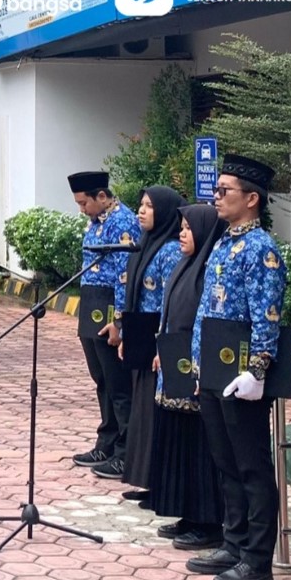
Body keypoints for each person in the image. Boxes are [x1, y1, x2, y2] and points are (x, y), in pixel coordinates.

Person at [186, 154, 286, 580]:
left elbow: (267, 316)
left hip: (242, 373)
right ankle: (235, 541)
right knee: (225, 464)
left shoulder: (261, 248)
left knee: (251, 467)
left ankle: (257, 562)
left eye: (224, 190)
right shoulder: (224, 241)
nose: (216, 197)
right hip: (213, 367)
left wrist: (258, 370)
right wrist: (198, 366)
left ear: (251, 199)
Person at [148, 204, 225, 551]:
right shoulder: (184, 265)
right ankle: (188, 514)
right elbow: (170, 315)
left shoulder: (208, 271)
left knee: (198, 448)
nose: (181, 234)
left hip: (195, 370)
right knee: (178, 442)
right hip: (173, 363)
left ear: (205, 232)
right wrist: (161, 350)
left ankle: (207, 522)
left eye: (188, 228)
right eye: (180, 227)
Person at [68, 171, 142, 479]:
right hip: (92, 302)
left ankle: (126, 452)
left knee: (118, 384)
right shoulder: (97, 221)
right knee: (102, 380)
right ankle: (107, 442)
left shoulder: (122, 222)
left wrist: (119, 320)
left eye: (84, 203)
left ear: (101, 196)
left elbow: (125, 275)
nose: (82, 210)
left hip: (111, 305)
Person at [118, 186, 184, 498]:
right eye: (140, 205)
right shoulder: (145, 243)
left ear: (166, 212)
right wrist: (126, 334)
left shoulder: (169, 250)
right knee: (142, 411)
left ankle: (159, 484)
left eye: (149, 206)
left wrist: (163, 345)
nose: (141, 211)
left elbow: (171, 300)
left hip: (158, 335)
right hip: (141, 331)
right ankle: (147, 480)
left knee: (154, 413)